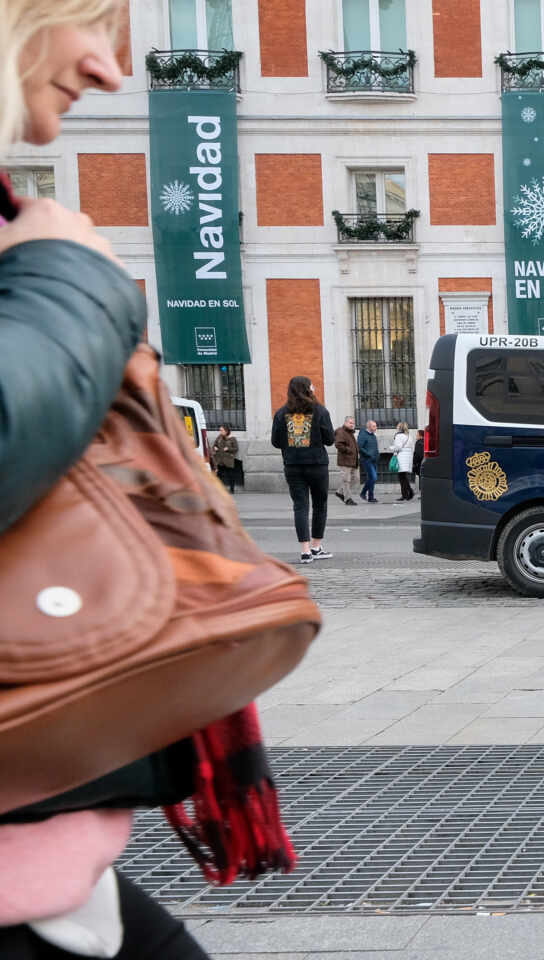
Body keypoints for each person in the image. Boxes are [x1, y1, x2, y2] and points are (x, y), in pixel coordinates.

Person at [0, 3, 215, 957]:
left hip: (50, 872)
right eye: (78, 18)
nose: (109, 66)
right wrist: (71, 282)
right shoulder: (47, 248)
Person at [270, 375, 335, 564]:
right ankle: (316, 546)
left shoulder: (281, 413)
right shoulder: (320, 411)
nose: (314, 388)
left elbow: (275, 442)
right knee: (320, 505)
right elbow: (330, 439)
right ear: (307, 389)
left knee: (300, 506)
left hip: (292, 465)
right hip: (317, 464)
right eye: (312, 386)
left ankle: (305, 551)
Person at [333, 415, 359, 506]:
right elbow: (338, 444)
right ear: (345, 422)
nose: (352, 425)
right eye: (350, 423)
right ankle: (348, 499)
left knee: (355, 479)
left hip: (353, 460)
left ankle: (340, 492)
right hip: (345, 460)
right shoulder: (341, 431)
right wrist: (348, 450)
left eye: (353, 423)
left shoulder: (350, 432)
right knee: (346, 480)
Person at [209, 423, 239, 494]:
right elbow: (214, 445)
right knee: (219, 475)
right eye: (220, 430)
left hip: (228, 460)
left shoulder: (232, 438)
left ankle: (232, 489)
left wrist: (228, 448)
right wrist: (215, 447)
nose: (220, 432)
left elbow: (236, 448)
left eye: (222, 430)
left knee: (231, 475)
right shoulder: (219, 437)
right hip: (220, 460)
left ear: (226, 431)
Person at [390, 421, 414, 502]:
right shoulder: (409, 436)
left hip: (401, 457)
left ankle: (406, 494)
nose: (396, 428)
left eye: (397, 426)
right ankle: (408, 493)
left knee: (401, 477)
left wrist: (391, 448)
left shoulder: (398, 436)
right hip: (408, 457)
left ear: (399, 427)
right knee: (403, 476)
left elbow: (398, 447)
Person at [359, 419, 380, 503]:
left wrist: (377, 455)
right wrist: (368, 454)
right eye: (374, 426)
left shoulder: (373, 435)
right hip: (367, 460)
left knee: (371, 478)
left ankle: (371, 497)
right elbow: (359, 447)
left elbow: (375, 447)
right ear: (369, 426)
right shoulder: (363, 435)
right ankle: (363, 493)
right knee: (374, 477)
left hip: (374, 460)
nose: (376, 427)